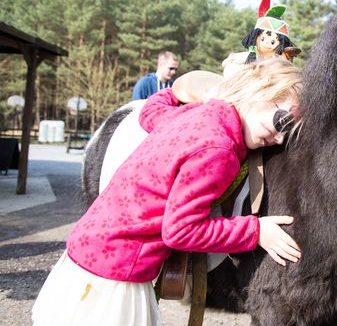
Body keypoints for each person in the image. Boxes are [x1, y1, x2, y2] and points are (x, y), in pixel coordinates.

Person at [32, 58, 303, 326]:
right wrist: (255, 231)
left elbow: (150, 112)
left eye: (288, 132)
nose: (279, 138)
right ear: (260, 91)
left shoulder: (193, 115)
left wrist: (175, 92)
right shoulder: (218, 151)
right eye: (281, 122)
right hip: (117, 275)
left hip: (85, 253)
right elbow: (180, 231)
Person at [222, 0, 299, 77]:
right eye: (262, 39)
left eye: (273, 42)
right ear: (254, 37)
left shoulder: (275, 62)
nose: (267, 43)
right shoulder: (247, 57)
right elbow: (228, 62)